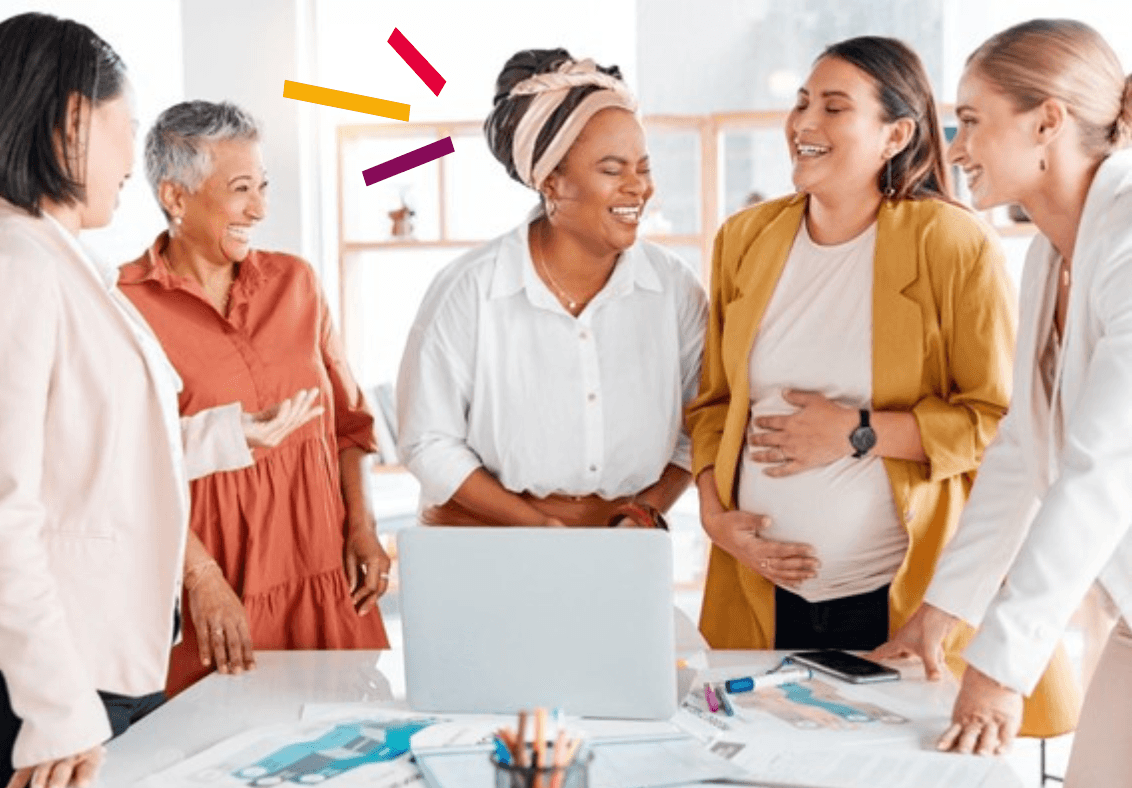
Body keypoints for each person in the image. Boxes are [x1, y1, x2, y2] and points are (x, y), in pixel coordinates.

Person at [684, 36, 1078, 736]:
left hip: (900, 597)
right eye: (802, 102)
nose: (805, 122)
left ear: (896, 134)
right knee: (763, 772)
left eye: (835, 107)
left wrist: (857, 431)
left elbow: (1000, 421)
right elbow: (713, 407)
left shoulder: (951, 243)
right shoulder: (744, 239)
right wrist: (716, 517)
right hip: (760, 591)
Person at [0, 13, 272, 788]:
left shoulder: (54, 261)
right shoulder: (7, 270)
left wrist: (226, 435)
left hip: (93, 673)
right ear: (73, 123)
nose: (132, 157)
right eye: (128, 125)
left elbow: (89, 453)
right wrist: (57, 707)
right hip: (43, 691)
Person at [872, 20, 1132, 788]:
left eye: (974, 121)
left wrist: (1002, 665)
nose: (956, 147)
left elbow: (1103, 469)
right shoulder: (1051, 253)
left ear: (1048, 122)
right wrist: (942, 613)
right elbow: (1021, 452)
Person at [118, 100, 390, 695]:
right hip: (220, 589)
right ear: (176, 197)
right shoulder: (125, 307)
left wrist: (362, 527)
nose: (260, 208)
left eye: (262, 186)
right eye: (242, 189)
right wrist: (202, 580)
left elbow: (349, 424)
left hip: (324, 572)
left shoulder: (298, 282)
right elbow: (131, 466)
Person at [396, 49, 707, 530]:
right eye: (611, 169)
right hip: (483, 538)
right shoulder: (469, 289)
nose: (638, 188)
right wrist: (534, 526)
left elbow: (700, 426)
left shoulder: (674, 289)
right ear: (552, 182)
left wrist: (644, 511)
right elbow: (427, 441)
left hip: (622, 538)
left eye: (643, 168)